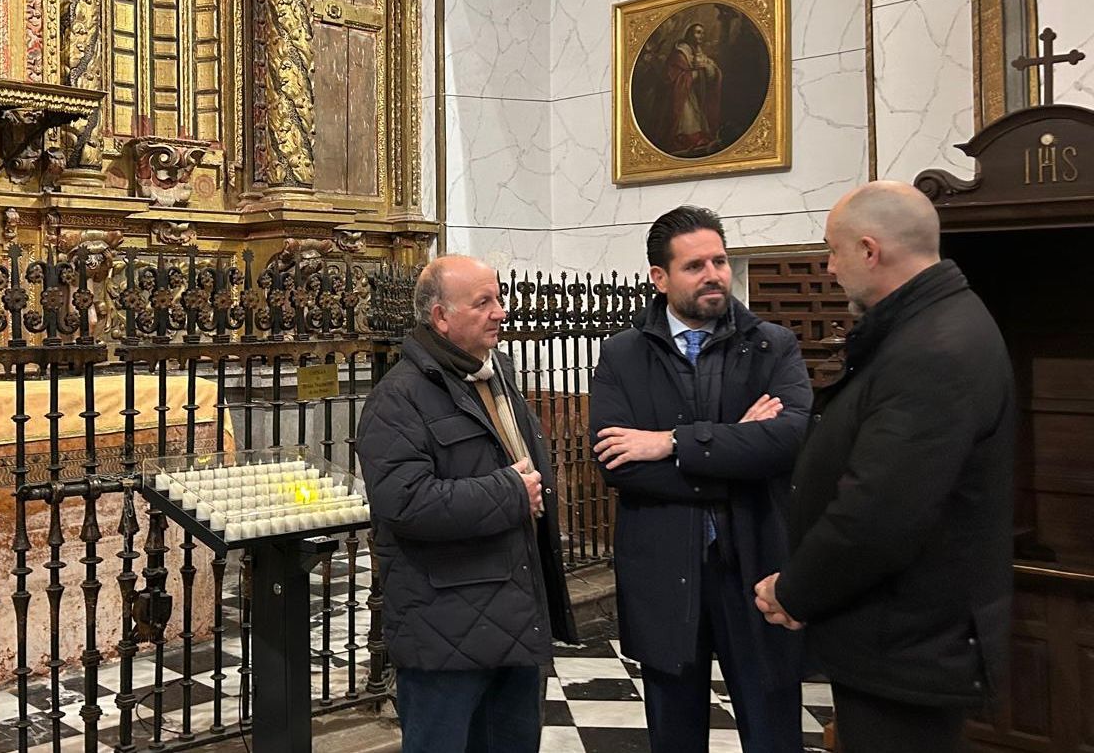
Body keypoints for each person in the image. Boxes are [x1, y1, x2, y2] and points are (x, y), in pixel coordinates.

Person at [753, 181, 1013, 753]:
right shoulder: (928, 326)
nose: (827, 268)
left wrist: (796, 591)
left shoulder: (936, 347)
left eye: (833, 251)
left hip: (908, 642)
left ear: (870, 250)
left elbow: (881, 512)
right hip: (895, 636)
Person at [588, 205, 811, 752]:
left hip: (756, 563)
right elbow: (619, 464)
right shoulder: (623, 354)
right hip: (665, 566)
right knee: (675, 731)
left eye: (720, 260)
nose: (714, 274)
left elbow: (787, 442)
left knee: (771, 724)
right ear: (659, 278)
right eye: (695, 266)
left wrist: (670, 443)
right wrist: (737, 447)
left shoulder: (770, 345)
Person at [356, 254, 577, 753]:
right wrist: (509, 493)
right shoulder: (399, 399)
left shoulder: (494, 379)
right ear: (440, 317)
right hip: (445, 632)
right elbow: (403, 501)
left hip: (514, 614)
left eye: (499, 298)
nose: (501, 311)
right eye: (484, 302)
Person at [658, 23, 724, 155]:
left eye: (702, 33)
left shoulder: (698, 52)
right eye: (698, 32)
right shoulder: (680, 53)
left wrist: (711, 70)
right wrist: (694, 74)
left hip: (692, 94)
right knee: (687, 121)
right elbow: (672, 78)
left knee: (697, 121)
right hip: (682, 97)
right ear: (689, 34)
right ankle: (682, 142)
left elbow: (712, 71)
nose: (701, 36)